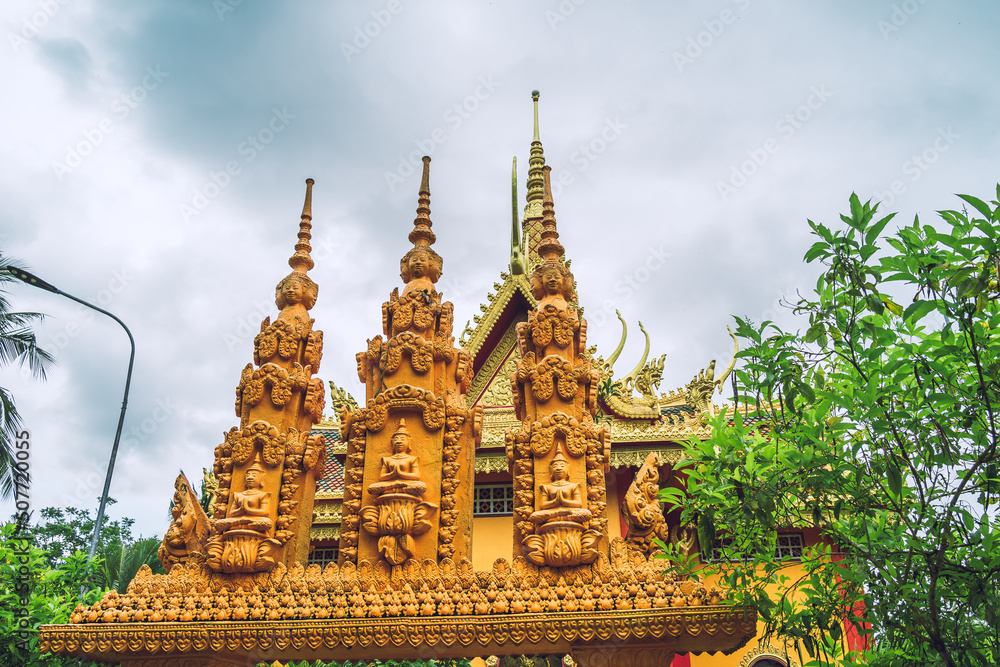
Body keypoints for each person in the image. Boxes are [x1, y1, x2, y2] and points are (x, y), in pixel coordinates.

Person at [216, 462, 273, 534]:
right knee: (219, 523)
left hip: (254, 519)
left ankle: (237, 526)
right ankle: (243, 524)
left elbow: (265, 512)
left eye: (254, 475)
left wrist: (248, 510)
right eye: (248, 475)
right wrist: (240, 510)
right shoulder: (238, 495)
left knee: (267, 522)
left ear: (261, 480)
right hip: (240, 520)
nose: (250, 477)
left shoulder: (263, 495)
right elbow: (231, 513)